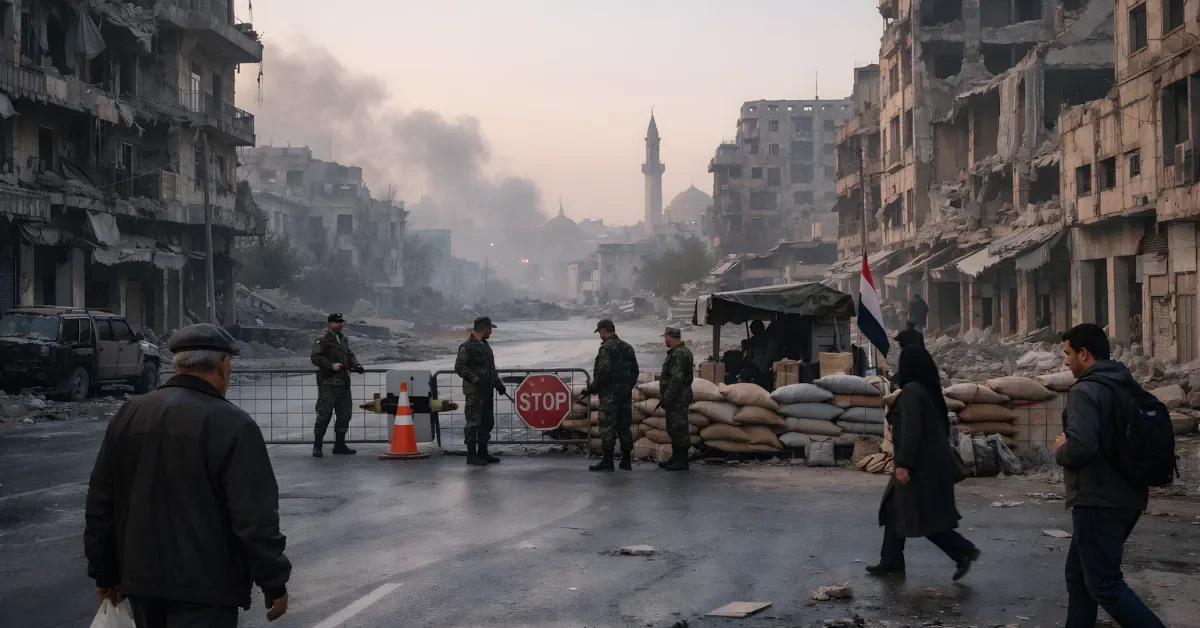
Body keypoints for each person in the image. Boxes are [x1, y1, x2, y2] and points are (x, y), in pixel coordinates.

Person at [85, 324, 291, 627]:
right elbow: (254, 518)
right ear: (223, 364)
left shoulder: (130, 413)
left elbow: (101, 501)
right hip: (207, 588)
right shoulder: (233, 424)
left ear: (178, 363)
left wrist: (104, 571)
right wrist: (274, 581)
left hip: (140, 582)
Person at [1055, 323, 1166, 628]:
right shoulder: (1126, 383)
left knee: (1104, 584)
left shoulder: (1085, 390)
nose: (1065, 361)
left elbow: (1081, 447)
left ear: (1084, 354)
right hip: (1128, 496)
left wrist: (1060, 448)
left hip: (1099, 500)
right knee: (1079, 578)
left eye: (1067, 354)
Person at [868, 345, 980, 580]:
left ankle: (963, 551)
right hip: (928, 463)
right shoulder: (926, 391)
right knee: (894, 509)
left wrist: (903, 464)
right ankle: (891, 560)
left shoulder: (912, 393)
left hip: (920, 466)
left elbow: (911, 431)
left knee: (923, 517)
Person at [582, 319, 640, 472]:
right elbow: (635, 371)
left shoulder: (606, 348)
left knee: (607, 426)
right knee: (624, 425)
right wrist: (627, 387)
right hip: (624, 394)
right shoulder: (628, 347)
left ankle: (607, 461)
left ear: (603, 331)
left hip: (609, 395)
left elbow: (604, 371)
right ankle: (626, 461)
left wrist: (593, 387)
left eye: (600, 332)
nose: (600, 335)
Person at [311, 312, 365, 457]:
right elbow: (315, 357)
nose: (339, 324)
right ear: (329, 324)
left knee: (344, 415)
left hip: (343, 384)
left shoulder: (343, 339)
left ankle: (340, 445)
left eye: (341, 322)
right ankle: (317, 446)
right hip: (328, 384)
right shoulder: (322, 340)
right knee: (324, 415)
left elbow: (350, 355)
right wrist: (331, 365)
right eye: (336, 322)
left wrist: (357, 365)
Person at [456, 316, 506, 466]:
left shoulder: (485, 346)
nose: (491, 332)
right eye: (490, 329)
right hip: (474, 392)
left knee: (487, 422)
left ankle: (483, 452)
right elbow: (460, 368)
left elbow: (490, 368)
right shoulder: (467, 346)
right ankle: (471, 455)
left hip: (487, 390)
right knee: (473, 423)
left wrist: (498, 384)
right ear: (485, 329)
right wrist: (476, 379)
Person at [658, 326, 694, 472]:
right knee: (674, 427)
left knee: (679, 428)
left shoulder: (678, 354)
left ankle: (682, 461)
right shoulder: (682, 351)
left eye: (665, 338)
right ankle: (676, 457)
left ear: (668, 337)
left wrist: (667, 397)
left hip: (677, 397)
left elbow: (676, 378)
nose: (665, 341)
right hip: (678, 396)